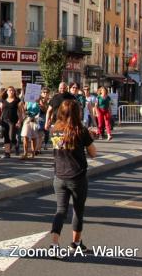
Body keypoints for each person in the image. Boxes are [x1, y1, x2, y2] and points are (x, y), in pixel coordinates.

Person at [48, 99, 97, 256]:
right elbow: (93, 153)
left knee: (60, 210)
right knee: (78, 210)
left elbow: (61, 148)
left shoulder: (55, 129)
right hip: (77, 176)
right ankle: (76, 244)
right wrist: (90, 137)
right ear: (77, 112)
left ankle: (54, 245)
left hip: (59, 176)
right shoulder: (80, 130)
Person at [0, 86, 22, 158]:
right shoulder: (3, 100)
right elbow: (0, 110)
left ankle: (16, 144)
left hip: (13, 121)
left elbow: (20, 112)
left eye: (12, 90)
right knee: (6, 136)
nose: (11, 92)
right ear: (7, 92)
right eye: (9, 90)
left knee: (11, 137)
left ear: (14, 92)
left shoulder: (17, 100)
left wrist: (19, 121)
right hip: (4, 120)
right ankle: (7, 153)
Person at [22, 89, 42, 159]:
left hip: (35, 120)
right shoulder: (27, 100)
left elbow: (43, 109)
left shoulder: (39, 100)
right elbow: (24, 109)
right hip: (27, 119)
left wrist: (39, 103)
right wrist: (24, 109)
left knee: (34, 137)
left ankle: (33, 153)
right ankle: (25, 153)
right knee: (25, 136)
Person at [37, 87, 51, 152]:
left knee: (46, 132)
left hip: (46, 118)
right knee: (40, 134)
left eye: (47, 92)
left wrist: (41, 103)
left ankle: (45, 144)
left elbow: (46, 110)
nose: (45, 94)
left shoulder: (50, 101)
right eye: (44, 92)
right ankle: (38, 148)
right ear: (41, 93)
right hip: (39, 118)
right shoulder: (38, 100)